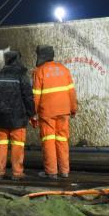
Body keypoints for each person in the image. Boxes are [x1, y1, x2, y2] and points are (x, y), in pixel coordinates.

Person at [32, 45, 78, 178]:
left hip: (47, 112)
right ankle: (64, 171)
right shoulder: (64, 70)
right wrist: (73, 109)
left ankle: (51, 172)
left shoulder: (39, 71)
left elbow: (35, 96)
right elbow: (71, 92)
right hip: (64, 111)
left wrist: (33, 114)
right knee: (62, 140)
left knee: (49, 141)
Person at [0, 50, 35, 180]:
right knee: (17, 145)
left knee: (1, 145)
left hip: (0, 118)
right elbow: (28, 97)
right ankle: (17, 173)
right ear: (18, 60)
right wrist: (32, 114)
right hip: (17, 118)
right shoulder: (22, 76)